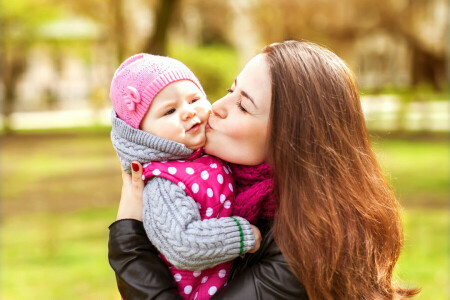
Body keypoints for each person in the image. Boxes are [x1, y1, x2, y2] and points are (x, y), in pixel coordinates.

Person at [109, 41, 420, 299]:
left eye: (244, 106)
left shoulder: (301, 251)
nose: (215, 106)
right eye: (231, 89)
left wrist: (128, 237)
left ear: (293, 138)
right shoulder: (234, 192)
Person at [109, 53, 262, 299]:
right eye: (169, 111)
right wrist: (242, 235)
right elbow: (182, 244)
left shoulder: (208, 155)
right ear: (143, 134)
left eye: (194, 99)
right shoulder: (164, 182)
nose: (188, 112)